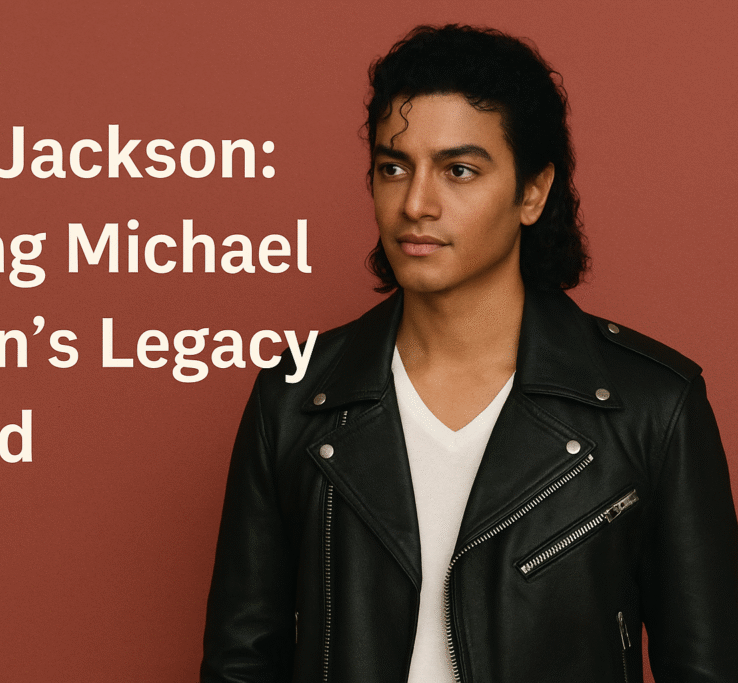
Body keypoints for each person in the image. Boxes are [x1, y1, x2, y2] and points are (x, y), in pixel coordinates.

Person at [200, 24, 738, 683]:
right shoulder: (295, 397)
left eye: (459, 170)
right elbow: (239, 661)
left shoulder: (654, 406)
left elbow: (708, 666)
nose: (416, 203)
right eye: (394, 167)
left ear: (532, 192)